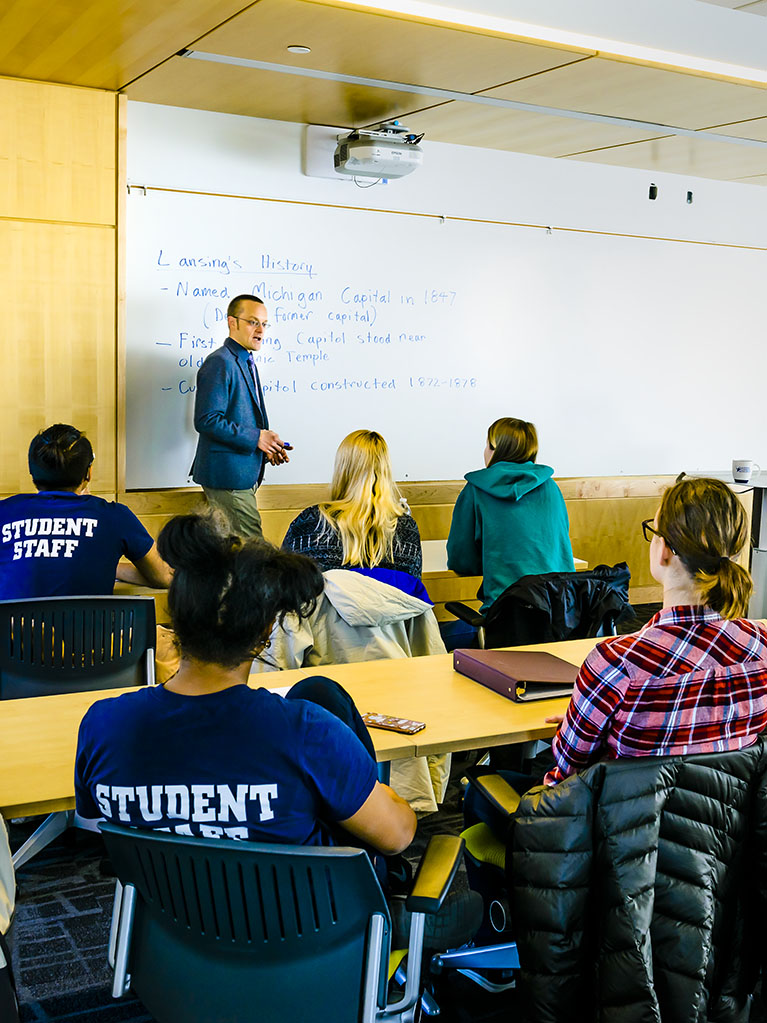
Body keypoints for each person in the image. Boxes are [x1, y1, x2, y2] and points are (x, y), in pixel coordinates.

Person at [75, 514, 416, 853]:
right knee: (321, 694)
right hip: (295, 905)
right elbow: (397, 836)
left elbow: (92, 823)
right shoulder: (307, 732)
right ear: (266, 631)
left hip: (163, 904)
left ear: (178, 616)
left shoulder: (103, 725)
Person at [544, 476, 767, 785]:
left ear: (663, 550)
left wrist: (576, 728)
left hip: (622, 831)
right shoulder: (761, 649)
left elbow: (566, 773)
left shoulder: (614, 665)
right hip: (726, 829)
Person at [0, 424, 170, 599]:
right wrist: (108, 566)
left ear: (32, 471)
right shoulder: (114, 517)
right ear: (88, 473)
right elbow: (164, 576)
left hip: (16, 627)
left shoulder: (4, 512)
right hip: (90, 627)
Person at [446, 417, 574, 614]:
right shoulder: (551, 487)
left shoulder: (475, 490)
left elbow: (461, 561)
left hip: (505, 614)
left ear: (494, 449)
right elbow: (559, 546)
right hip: (561, 611)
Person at [191, 294, 291, 539]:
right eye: (252, 322)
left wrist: (265, 446)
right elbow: (206, 419)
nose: (260, 330)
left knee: (233, 553)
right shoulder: (220, 362)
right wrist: (256, 437)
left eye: (264, 324)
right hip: (229, 476)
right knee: (255, 550)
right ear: (232, 322)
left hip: (243, 473)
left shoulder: (246, 361)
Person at [282, 429, 424, 593]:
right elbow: (414, 598)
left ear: (342, 470)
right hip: (390, 620)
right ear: (386, 471)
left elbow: (282, 585)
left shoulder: (308, 523)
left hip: (319, 619)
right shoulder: (407, 529)